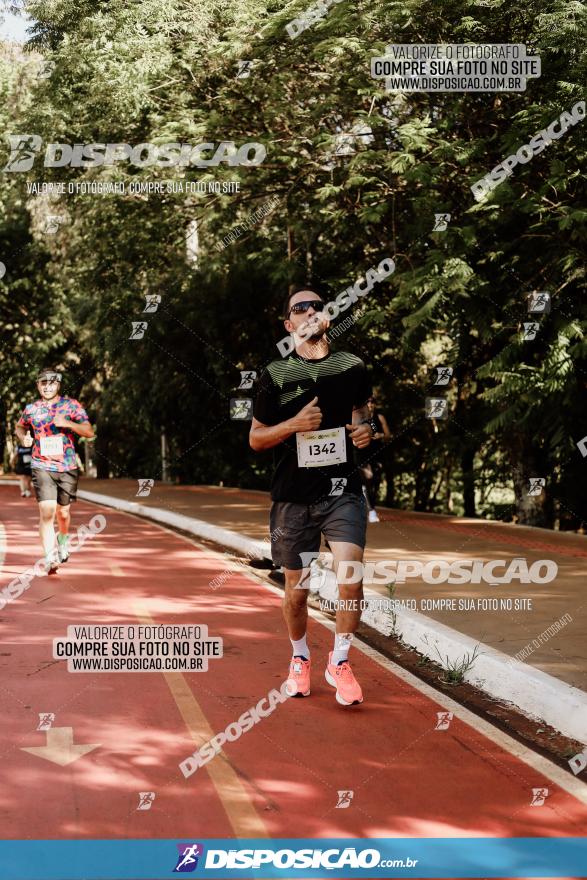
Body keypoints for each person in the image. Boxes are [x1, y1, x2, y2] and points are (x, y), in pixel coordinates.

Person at [250, 286, 377, 706]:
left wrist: (365, 432)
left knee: (350, 577)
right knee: (297, 591)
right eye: (298, 308)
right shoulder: (275, 375)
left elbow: (364, 417)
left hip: (343, 491)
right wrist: (293, 424)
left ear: (327, 317)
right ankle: (300, 656)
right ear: (289, 325)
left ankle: (339, 662)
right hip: (294, 498)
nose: (309, 312)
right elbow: (255, 439)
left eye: (317, 306)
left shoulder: (353, 367)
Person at [15, 368, 94, 574]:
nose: (47, 386)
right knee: (47, 512)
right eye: (43, 383)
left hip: (67, 466)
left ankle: (63, 539)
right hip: (41, 465)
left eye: (51, 383)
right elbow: (19, 426)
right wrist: (23, 437)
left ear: (58, 385)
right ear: (38, 385)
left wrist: (67, 423)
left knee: (64, 513)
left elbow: (89, 431)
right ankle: (50, 557)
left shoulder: (71, 405)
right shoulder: (32, 409)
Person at [357, 396, 391, 523]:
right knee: (369, 477)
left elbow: (388, 435)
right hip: (362, 454)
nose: (370, 405)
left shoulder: (380, 418)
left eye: (372, 403)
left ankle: (366, 495)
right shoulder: (359, 418)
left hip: (377, 454)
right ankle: (371, 510)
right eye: (368, 403)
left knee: (375, 482)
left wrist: (381, 435)